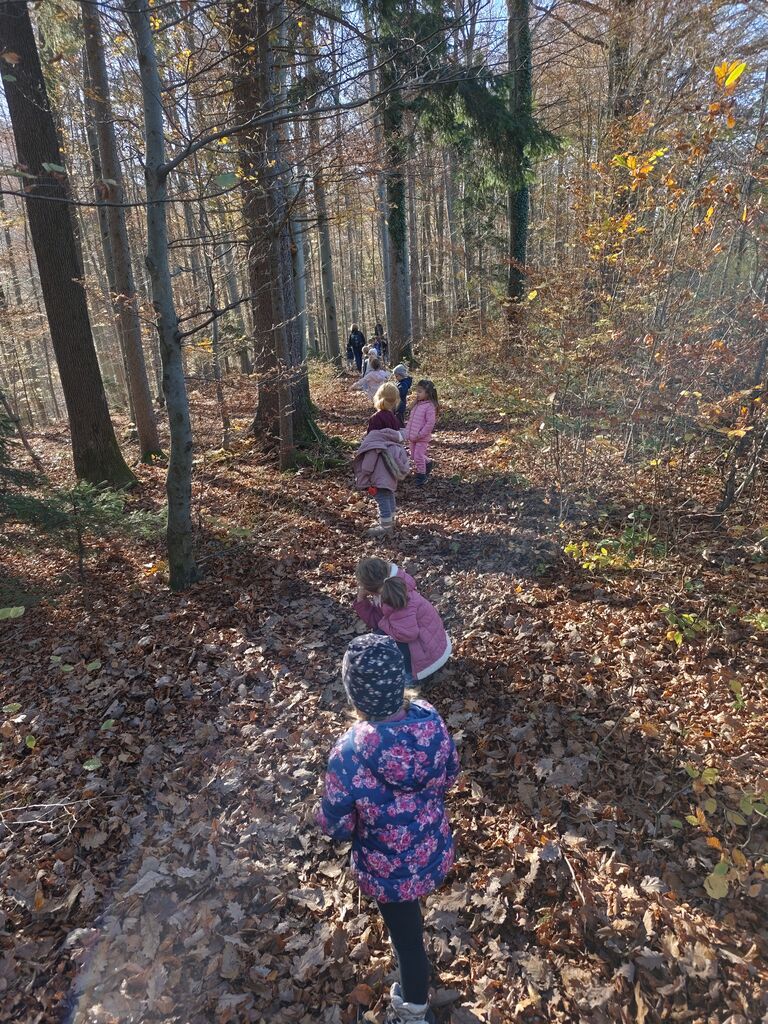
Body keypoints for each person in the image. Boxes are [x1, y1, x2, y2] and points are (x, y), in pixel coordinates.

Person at [317, 634, 459, 1024]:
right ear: (401, 680)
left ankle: (414, 1010)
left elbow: (337, 823)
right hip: (431, 846)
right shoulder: (429, 720)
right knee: (411, 926)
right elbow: (450, 774)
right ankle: (417, 978)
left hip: (388, 869)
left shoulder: (348, 754)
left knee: (408, 942)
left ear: (354, 695)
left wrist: (324, 816)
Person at [354, 575, 452, 684]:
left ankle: (408, 677)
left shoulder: (397, 607)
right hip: (433, 648)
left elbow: (408, 635)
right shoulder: (401, 595)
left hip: (428, 659)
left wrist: (384, 623)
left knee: (384, 641)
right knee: (381, 637)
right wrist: (361, 599)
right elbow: (376, 621)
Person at [352, 422, 410, 536]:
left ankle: (385, 526)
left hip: (377, 479)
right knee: (389, 497)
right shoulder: (395, 444)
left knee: (383, 501)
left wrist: (366, 473)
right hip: (391, 479)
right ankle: (391, 520)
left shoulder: (374, 445)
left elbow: (367, 466)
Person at [404, 380, 438, 487]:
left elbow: (430, 423)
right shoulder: (417, 405)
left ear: (427, 393)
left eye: (420, 391)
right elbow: (411, 421)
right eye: (417, 391)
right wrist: (407, 432)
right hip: (413, 436)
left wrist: (421, 434)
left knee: (418, 456)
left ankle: (422, 476)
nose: (417, 394)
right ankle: (428, 462)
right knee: (414, 456)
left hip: (421, 437)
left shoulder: (429, 406)